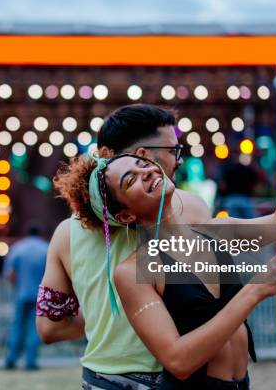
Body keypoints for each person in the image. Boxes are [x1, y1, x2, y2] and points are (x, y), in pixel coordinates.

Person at [37, 105, 211, 389]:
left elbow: (49, 326)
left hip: (100, 380)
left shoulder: (66, 233)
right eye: (172, 151)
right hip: (178, 378)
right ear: (143, 154)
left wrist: (104, 315)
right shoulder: (187, 207)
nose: (178, 161)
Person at [4, 224, 49, 370]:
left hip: (21, 293)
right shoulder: (46, 248)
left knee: (17, 326)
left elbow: (9, 273)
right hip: (40, 295)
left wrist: (16, 285)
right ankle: (31, 361)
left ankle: (11, 358)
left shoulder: (18, 248)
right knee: (34, 327)